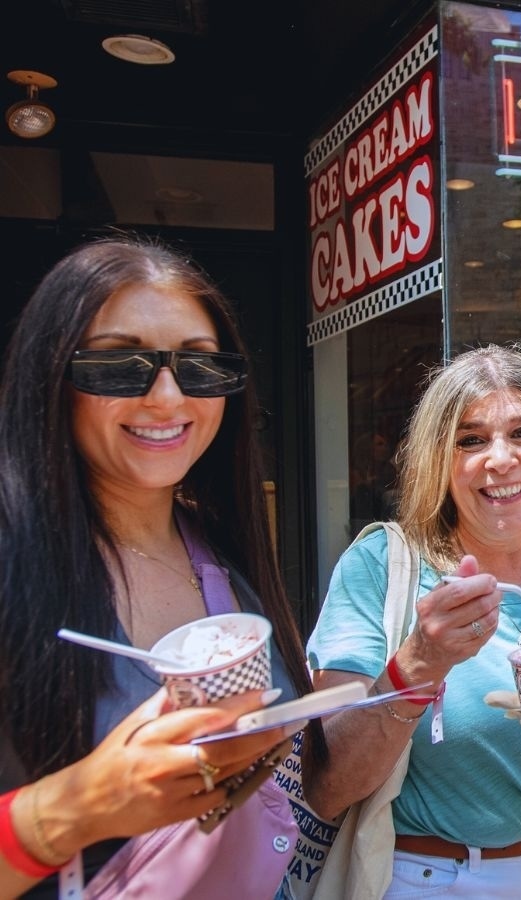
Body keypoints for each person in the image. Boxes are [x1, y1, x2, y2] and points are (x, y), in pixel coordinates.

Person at [0, 236, 312, 897]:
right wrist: (75, 809)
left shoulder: (227, 557)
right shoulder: (14, 564)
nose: (168, 398)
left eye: (199, 366)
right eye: (119, 363)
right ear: (51, 378)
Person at [304, 345, 521, 897]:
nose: (500, 460)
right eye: (470, 440)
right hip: (433, 881)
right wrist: (419, 664)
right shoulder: (380, 568)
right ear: (438, 456)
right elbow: (328, 786)